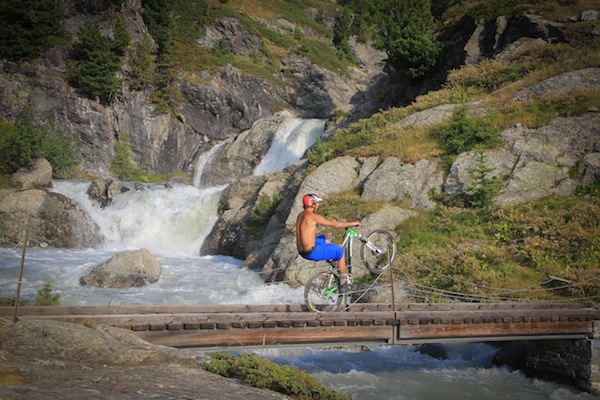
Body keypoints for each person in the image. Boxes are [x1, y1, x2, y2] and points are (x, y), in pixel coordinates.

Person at [296, 193, 360, 290]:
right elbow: (336, 225)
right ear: (313, 204)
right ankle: (344, 283)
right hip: (311, 252)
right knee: (339, 251)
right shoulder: (313, 217)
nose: (317, 205)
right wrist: (353, 223)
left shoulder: (300, 216)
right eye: (316, 203)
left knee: (324, 239)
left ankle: (332, 259)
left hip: (302, 250)